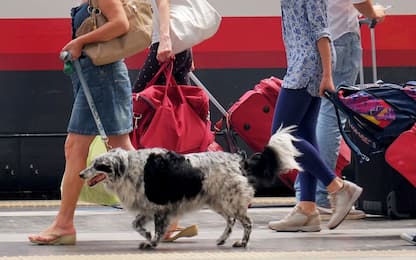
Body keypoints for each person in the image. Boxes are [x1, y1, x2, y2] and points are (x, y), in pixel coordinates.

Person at [28, 0, 136, 245]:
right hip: (94, 77)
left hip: (101, 78)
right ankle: (168, 213)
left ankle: (64, 224)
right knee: (123, 152)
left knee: (76, 147)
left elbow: (121, 23)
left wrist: (79, 42)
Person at [268, 0, 363, 232]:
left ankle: (338, 187)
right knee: (305, 134)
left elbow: (321, 30)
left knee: (280, 137)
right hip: (305, 61)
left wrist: (327, 74)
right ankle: (308, 208)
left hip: (307, 64)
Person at [293, 0, 386, 221]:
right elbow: (361, 3)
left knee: (313, 119)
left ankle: (308, 195)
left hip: (315, 41)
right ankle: (322, 193)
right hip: (340, 38)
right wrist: (376, 12)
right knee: (331, 117)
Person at [132, 0, 198, 242]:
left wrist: (166, 39)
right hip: (179, 44)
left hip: (167, 43)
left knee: (136, 107)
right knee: (175, 131)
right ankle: (173, 218)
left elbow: (164, 2)